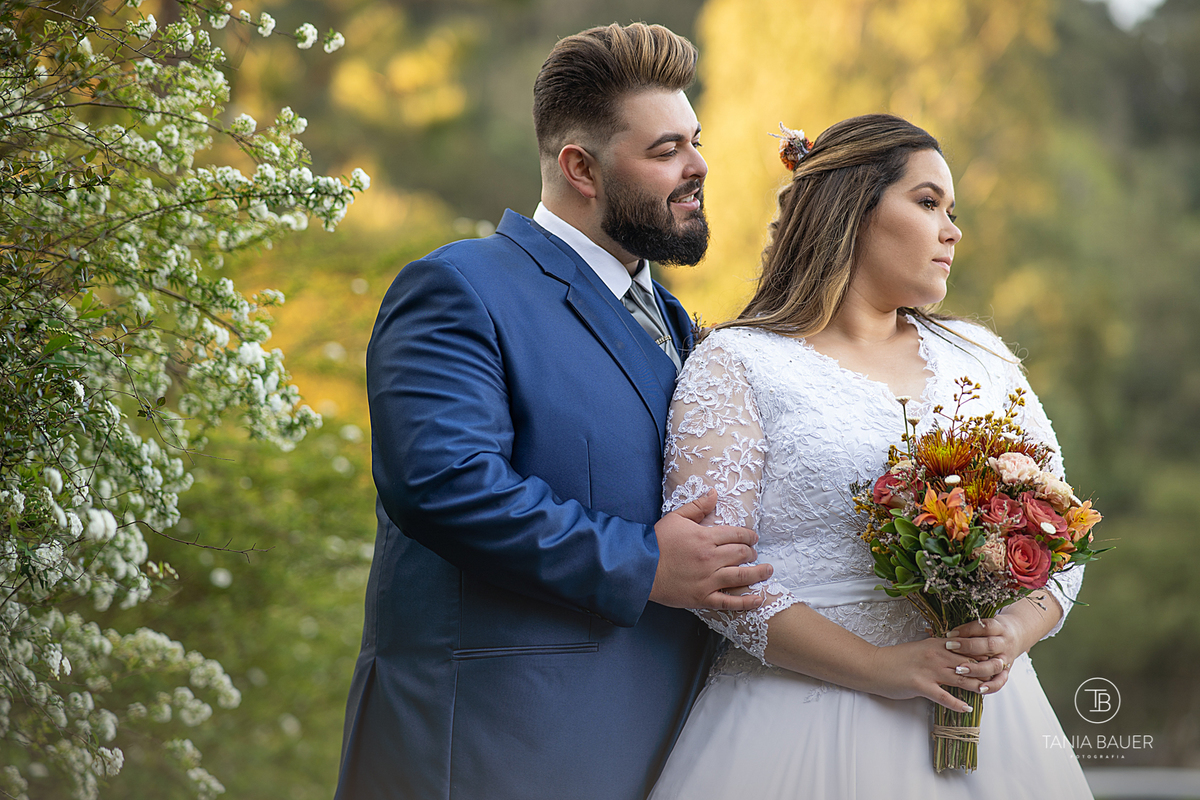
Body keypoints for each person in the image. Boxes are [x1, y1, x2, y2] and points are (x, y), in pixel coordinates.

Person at [334, 23, 773, 800]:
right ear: (580, 167)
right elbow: (441, 483)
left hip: (670, 751)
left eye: (696, 142)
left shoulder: (675, 322)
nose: (698, 166)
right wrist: (642, 563)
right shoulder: (460, 288)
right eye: (667, 150)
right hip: (497, 753)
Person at [648, 114, 1094, 799]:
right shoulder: (736, 364)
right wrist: (880, 668)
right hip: (796, 726)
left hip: (993, 731)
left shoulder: (984, 359)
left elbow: (1066, 535)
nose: (952, 230)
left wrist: (1011, 631)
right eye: (928, 202)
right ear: (853, 210)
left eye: (952, 211)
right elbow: (716, 581)